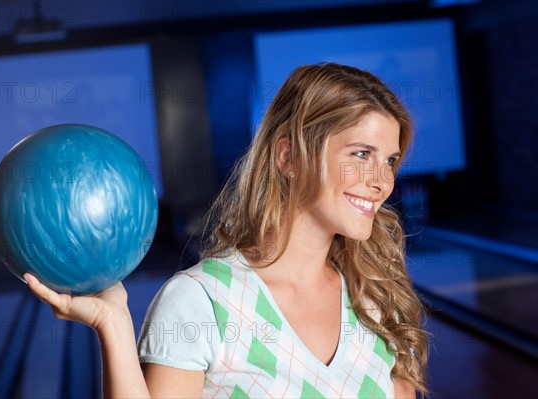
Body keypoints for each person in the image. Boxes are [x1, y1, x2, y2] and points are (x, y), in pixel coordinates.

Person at [26, 62, 428, 398]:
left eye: (390, 160)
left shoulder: (376, 296)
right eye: (361, 154)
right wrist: (112, 323)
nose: (382, 181)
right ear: (288, 157)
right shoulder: (201, 303)